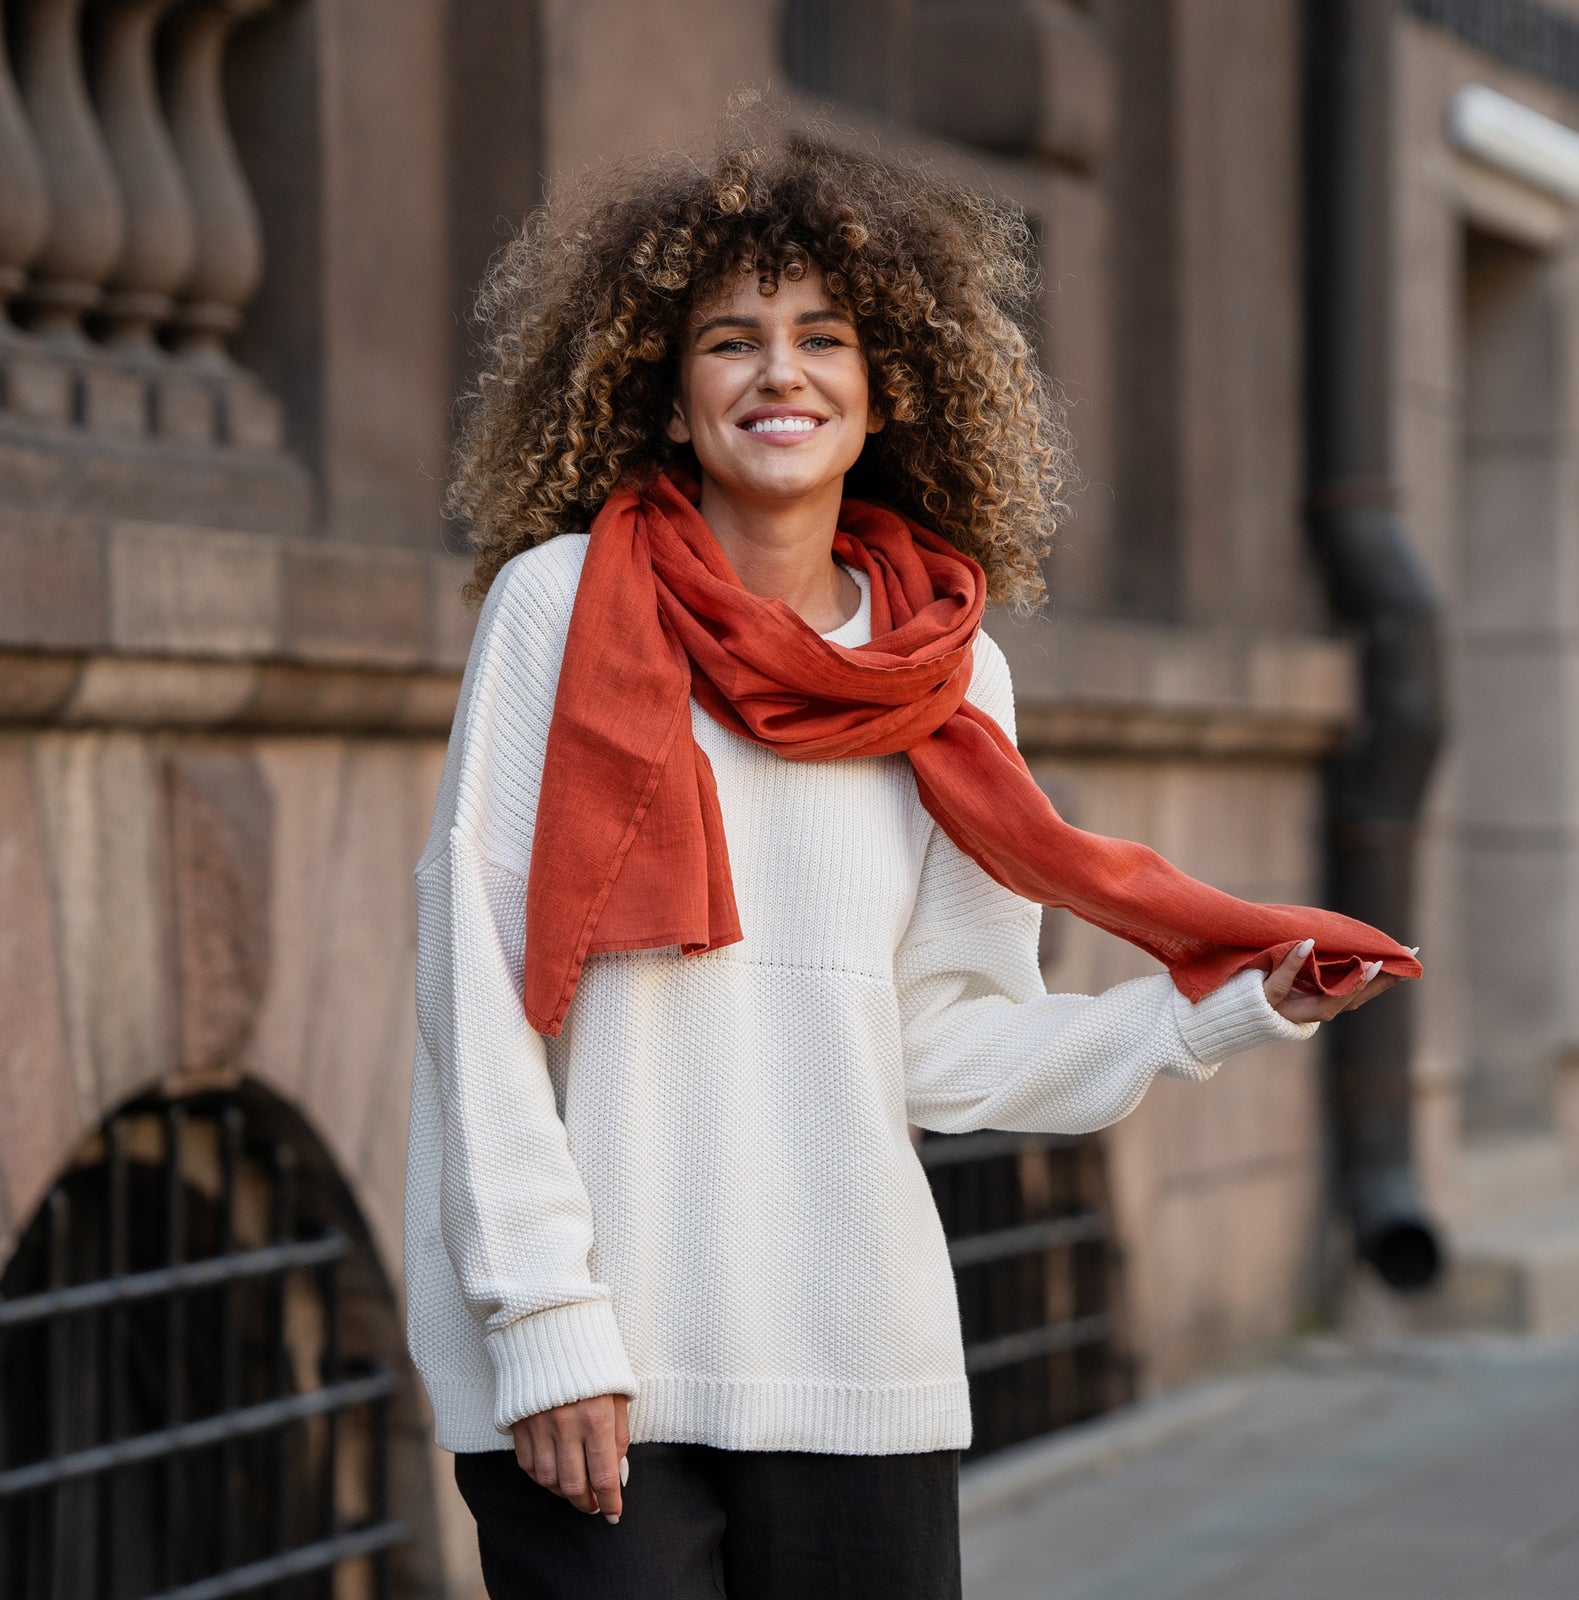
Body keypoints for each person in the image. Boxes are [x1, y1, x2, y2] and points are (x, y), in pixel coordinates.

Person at [405, 113, 1418, 1600]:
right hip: (595, 1363)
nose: (778, 372)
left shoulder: (950, 680)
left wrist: (1216, 1010)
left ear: (885, 398)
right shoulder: (559, 614)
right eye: (729, 340)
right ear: (668, 401)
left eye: (824, 337)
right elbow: (477, 993)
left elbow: (946, 1045)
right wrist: (542, 1319)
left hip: (851, 1368)